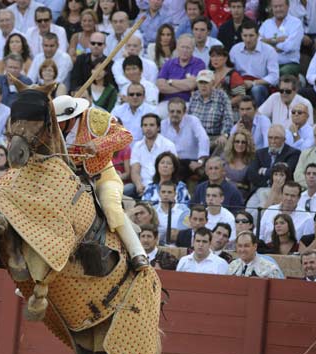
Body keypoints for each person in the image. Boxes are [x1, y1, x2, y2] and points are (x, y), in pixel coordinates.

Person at [51, 94, 149, 271]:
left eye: (61, 121)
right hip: (69, 182)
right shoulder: (51, 128)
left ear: (72, 118)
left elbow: (125, 136)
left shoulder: (95, 118)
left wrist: (99, 144)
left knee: (111, 205)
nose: (58, 125)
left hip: (103, 175)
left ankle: (137, 252)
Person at [229, 20, 279, 106]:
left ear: (258, 35)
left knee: (256, 90)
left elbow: (274, 77)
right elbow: (229, 71)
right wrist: (239, 83)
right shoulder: (235, 49)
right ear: (241, 35)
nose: (248, 40)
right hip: (240, 84)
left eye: (251, 36)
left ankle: (257, 116)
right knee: (233, 90)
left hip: (260, 84)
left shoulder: (269, 51)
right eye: (245, 36)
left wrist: (253, 83)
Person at [160, 97, 210, 182]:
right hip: (174, 161)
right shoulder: (163, 125)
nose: (175, 114)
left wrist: (200, 161)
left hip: (194, 160)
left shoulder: (193, 120)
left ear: (184, 112)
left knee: (206, 174)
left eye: (178, 112)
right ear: (168, 112)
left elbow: (203, 139)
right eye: (172, 111)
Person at [129, 113, 177, 198]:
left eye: (151, 125)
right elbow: (135, 170)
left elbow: (172, 171)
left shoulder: (168, 145)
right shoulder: (137, 146)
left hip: (162, 187)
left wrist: (156, 189)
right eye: (145, 125)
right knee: (124, 190)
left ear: (158, 128)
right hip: (142, 188)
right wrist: (138, 185)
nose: (148, 128)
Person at [247, 124, 300, 191]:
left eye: (276, 138)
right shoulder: (259, 153)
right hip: (259, 189)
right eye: (270, 138)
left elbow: (286, 174)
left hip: (282, 192)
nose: (272, 141)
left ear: (284, 139)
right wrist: (267, 183)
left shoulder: (293, 153)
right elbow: (251, 174)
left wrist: (264, 171)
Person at [187, 69, 234, 145]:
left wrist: (224, 135)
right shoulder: (194, 96)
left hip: (214, 137)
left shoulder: (222, 96)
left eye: (206, 82)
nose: (203, 85)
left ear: (212, 83)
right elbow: (188, 118)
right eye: (200, 82)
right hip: (196, 137)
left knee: (223, 143)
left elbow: (228, 119)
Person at [157, 34, 205, 103]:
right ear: (177, 47)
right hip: (168, 102)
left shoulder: (199, 63)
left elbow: (191, 85)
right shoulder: (168, 63)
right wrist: (186, 86)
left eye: (188, 48)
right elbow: (161, 87)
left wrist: (170, 82)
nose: (185, 50)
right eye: (182, 47)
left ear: (193, 49)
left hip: (188, 102)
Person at [222, 129, 254, 198]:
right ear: (232, 143)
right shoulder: (224, 157)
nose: (240, 144)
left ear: (247, 144)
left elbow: (250, 187)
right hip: (222, 193)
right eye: (237, 141)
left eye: (243, 142)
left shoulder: (252, 161)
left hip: (241, 195)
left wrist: (234, 184)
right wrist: (238, 184)